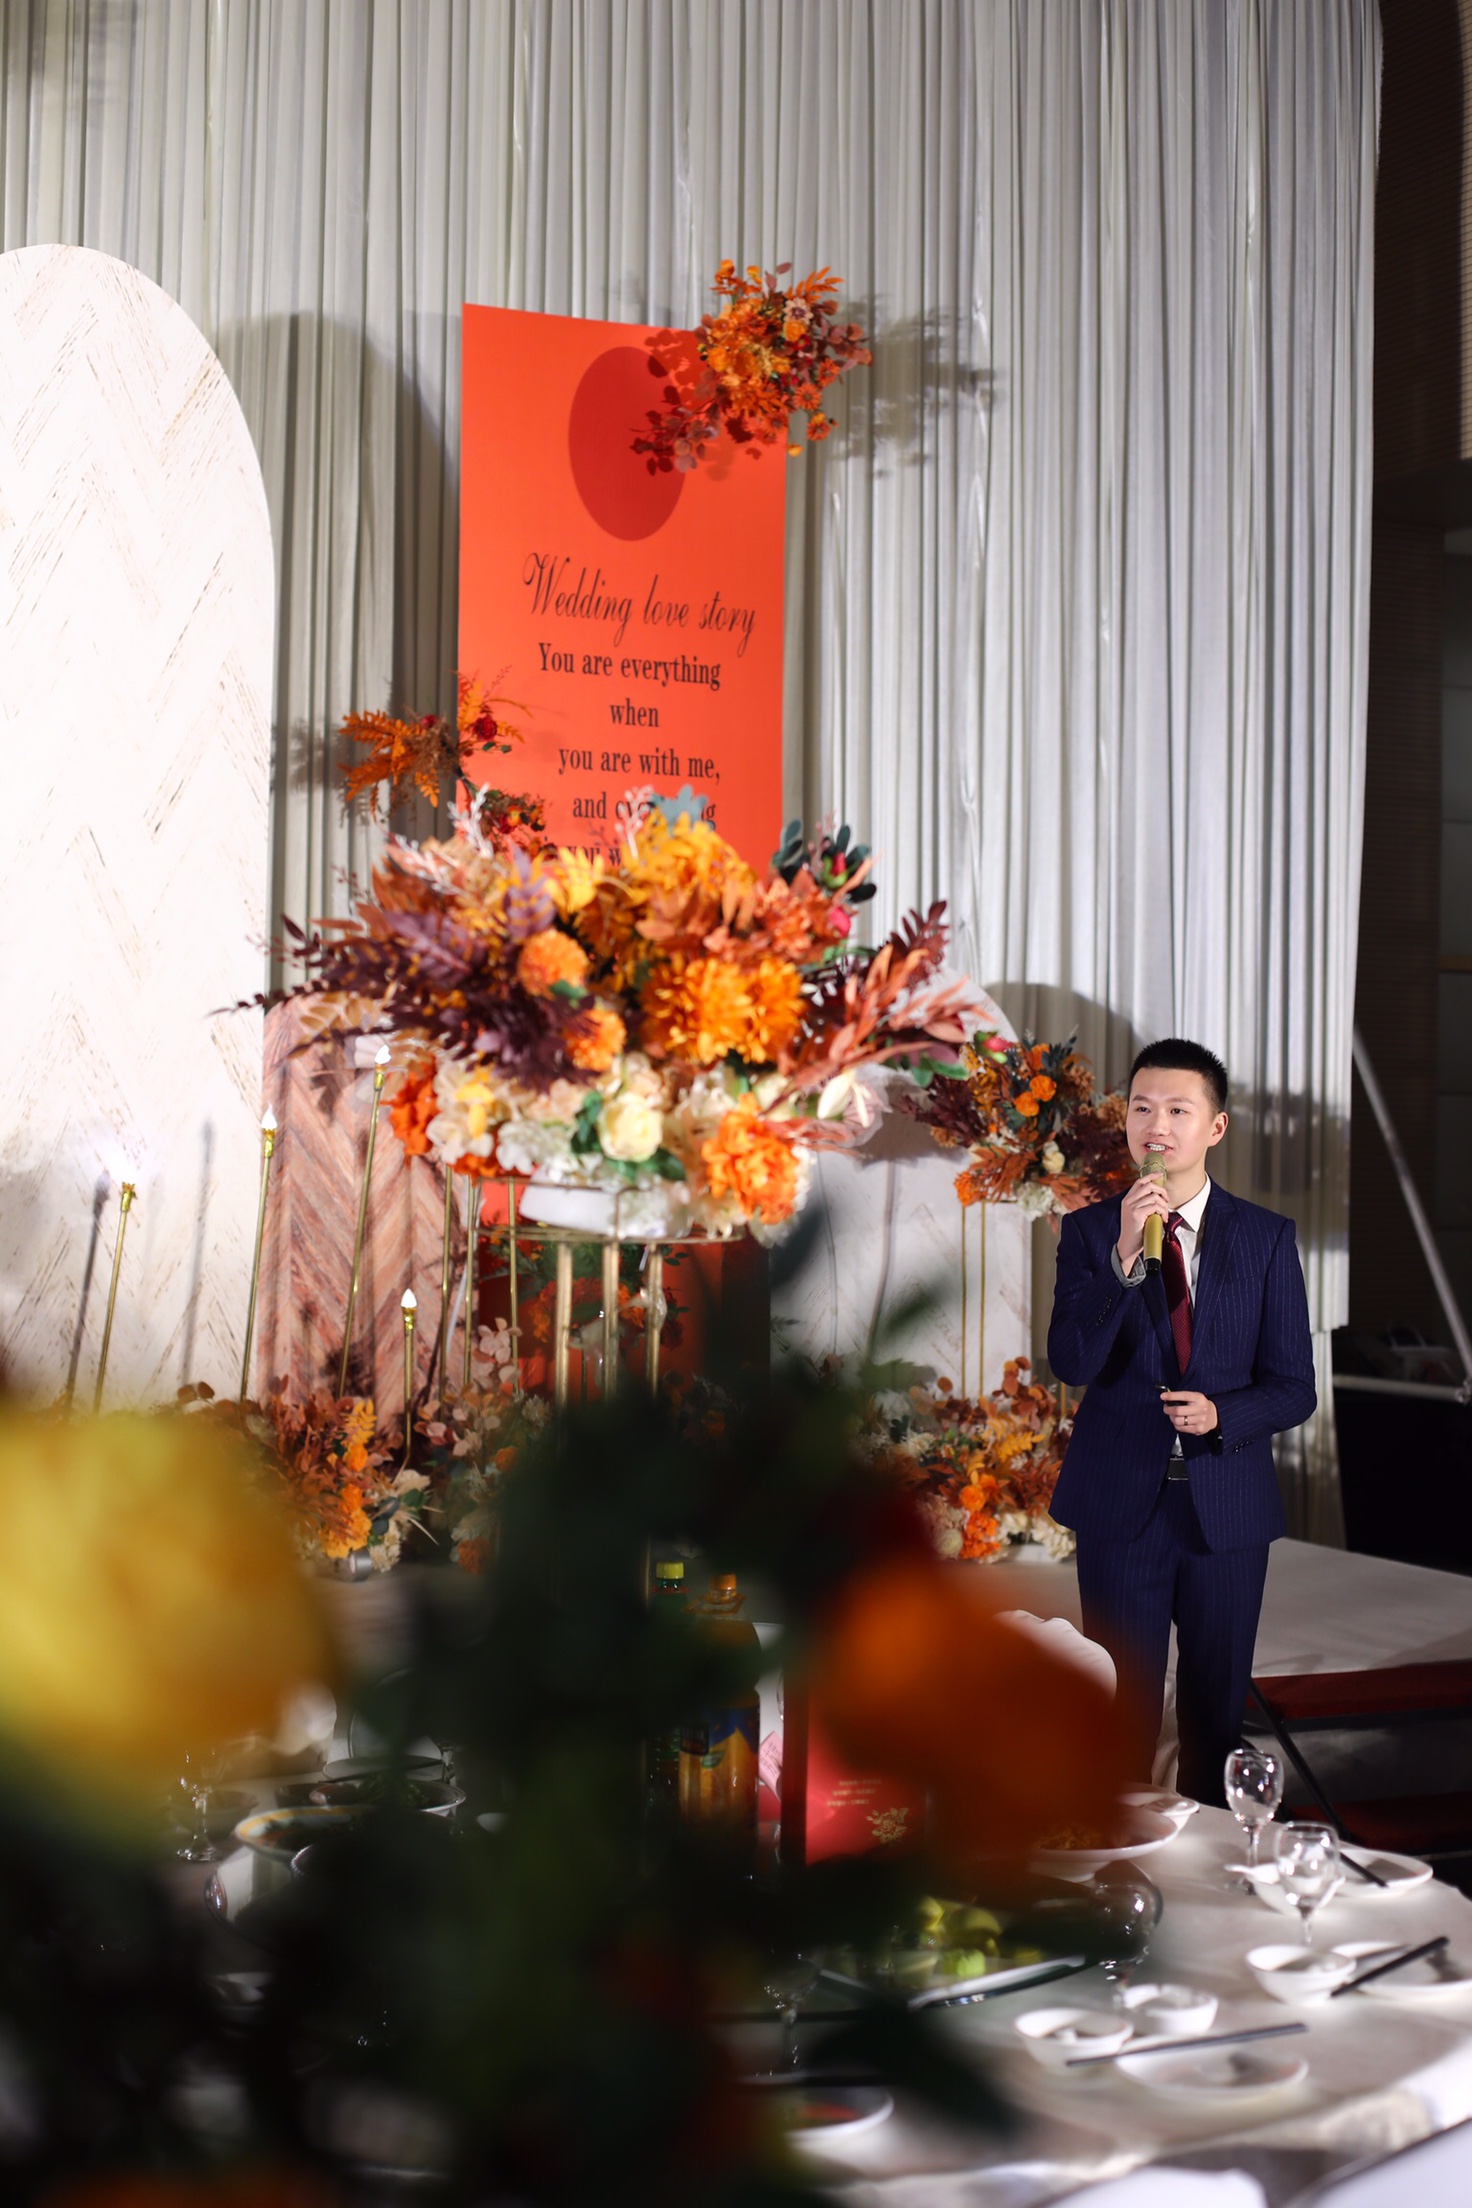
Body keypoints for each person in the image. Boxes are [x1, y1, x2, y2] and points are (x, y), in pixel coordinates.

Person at [1046, 1039, 1316, 1804]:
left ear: (1215, 1127)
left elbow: (1295, 1388)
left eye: (1176, 1109)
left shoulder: (1265, 1238)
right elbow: (1071, 1361)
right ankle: (1119, 1867)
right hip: (1121, 1505)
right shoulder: (1090, 1232)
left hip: (1225, 1510)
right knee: (1121, 1718)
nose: (1155, 1126)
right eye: (1141, 1108)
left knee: (1214, 1719)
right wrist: (1123, 1258)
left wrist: (1224, 1412)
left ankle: (1210, 1865)